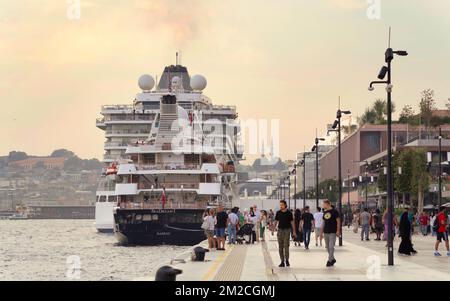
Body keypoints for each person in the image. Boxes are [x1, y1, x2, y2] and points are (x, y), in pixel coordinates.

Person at [274, 200, 296, 267]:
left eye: (282, 205)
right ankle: (282, 261)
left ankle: (287, 260)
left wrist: (294, 231)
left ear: (285, 205)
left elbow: (292, 222)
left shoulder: (289, 213)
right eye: (280, 205)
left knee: (286, 246)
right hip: (280, 230)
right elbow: (276, 221)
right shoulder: (278, 212)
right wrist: (273, 229)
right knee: (280, 246)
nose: (281, 206)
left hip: (287, 230)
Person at [320, 200, 341, 267]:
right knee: (328, 247)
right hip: (326, 232)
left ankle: (329, 260)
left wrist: (338, 231)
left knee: (331, 247)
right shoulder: (325, 212)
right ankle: (333, 259)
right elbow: (323, 223)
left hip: (333, 232)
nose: (323, 206)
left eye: (323, 204)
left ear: (327, 204)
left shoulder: (335, 211)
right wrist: (321, 233)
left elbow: (338, 221)